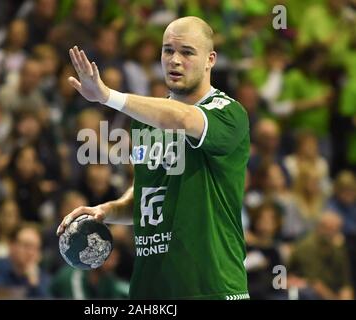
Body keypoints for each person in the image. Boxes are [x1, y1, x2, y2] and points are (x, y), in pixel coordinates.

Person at [57, 16, 250, 299]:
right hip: (150, 289)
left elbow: (183, 120)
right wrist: (108, 210)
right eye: (168, 50)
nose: (174, 60)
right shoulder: (144, 121)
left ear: (210, 60)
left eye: (186, 52)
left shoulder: (228, 113)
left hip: (212, 287)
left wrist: (108, 96)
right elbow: (148, 190)